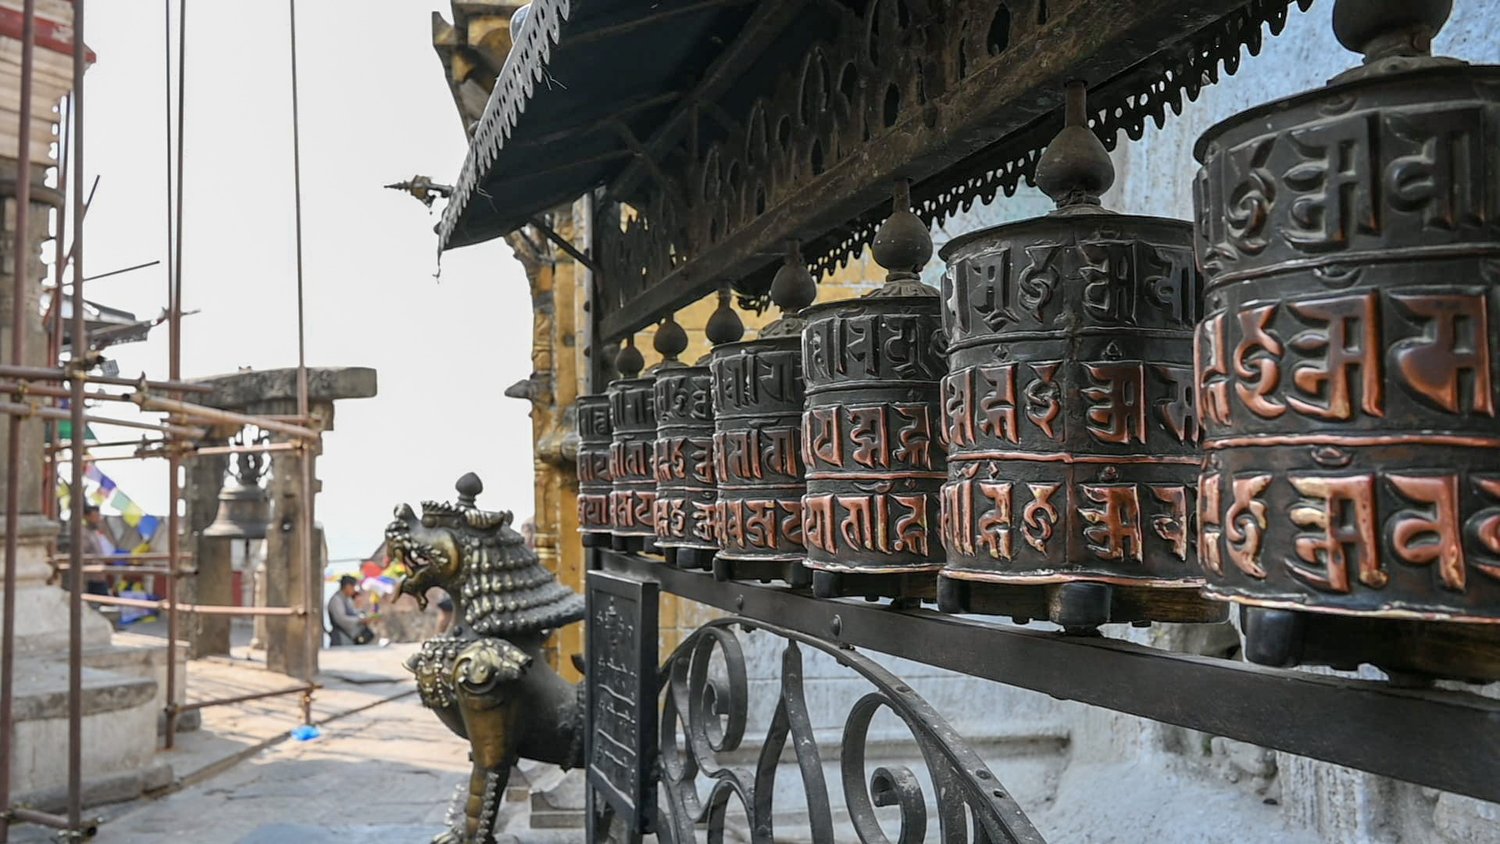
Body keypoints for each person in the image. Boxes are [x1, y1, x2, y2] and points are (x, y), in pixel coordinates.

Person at [327, 575, 375, 646]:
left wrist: (364, 618)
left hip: (350, 637)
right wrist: (359, 620)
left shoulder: (347, 599)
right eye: (353, 587)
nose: (354, 590)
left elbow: (353, 612)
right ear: (348, 587)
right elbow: (341, 619)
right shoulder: (336, 600)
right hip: (340, 636)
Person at [80, 505, 116, 596]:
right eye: (95, 517)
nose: (98, 519)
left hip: (100, 574)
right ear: (87, 517)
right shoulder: (83, 533)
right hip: (90, 576)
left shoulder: (96, 533)